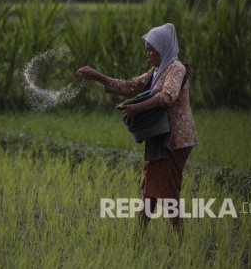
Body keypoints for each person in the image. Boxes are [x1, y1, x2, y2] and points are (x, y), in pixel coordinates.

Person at [77, 23, 198, 233]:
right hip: (160, 136)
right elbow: (130, 86)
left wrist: (136, 108)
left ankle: (176, 239)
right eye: (147, 50)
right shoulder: (156, 72)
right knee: (151, 188)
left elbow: (168, 96)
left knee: (166, 190)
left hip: (175, 140)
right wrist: (98, 76)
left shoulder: (176, 68)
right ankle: (139, 238)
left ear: (164, 47)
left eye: (152, 49)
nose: (148, 54)